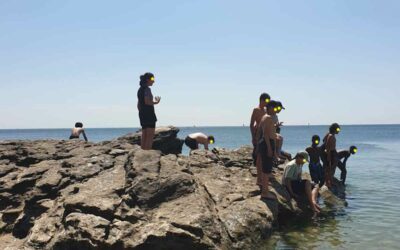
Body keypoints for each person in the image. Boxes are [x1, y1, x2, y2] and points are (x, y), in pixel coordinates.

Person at [257, 100, 279, 200]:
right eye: (275, 108)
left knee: (266, 168)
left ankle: (265, 190)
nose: (276, 110)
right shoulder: (268, 118)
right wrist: (270, 148)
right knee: (266, 170)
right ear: (270, 108)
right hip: (267, 144)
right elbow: (265, 134)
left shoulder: (264, 117)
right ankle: (265, 192)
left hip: (266, 143)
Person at [250, 93, 270, 186]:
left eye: (268, 101)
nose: (267, 103)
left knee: (263, 157)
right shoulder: (256, 110)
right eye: (266, 101)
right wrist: (253, 137)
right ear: (261, 100)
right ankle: (259, 179)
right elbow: (251, 124)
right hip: (258, 136)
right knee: (258, 158)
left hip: (265, 135)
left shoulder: (266, 110)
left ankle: (262, 177)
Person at [137, 72, 161, 150]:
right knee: (150, 136)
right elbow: (147, 101)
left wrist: (142, 112)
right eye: (152, 79)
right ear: (147, 79)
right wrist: (156, 102)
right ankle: (147, 155)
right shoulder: (147, 89)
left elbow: (139, 105)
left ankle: (142, 152)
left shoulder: (140, 89)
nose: (153, 81)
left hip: (142, 114)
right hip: (149, 114)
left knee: (144, 135)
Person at [321, 123, 341, 189]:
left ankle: (328, 181)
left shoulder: (328, 134)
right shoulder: (331, 136)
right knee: (331, 168)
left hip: (330, 152)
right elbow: (327, 146)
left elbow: (323, 140)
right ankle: (328, 182)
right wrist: (328, 156)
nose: (339, 130)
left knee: (329, 168)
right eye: (338, 129)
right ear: (334, 129)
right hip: (331, 153)